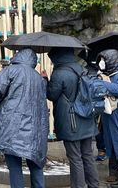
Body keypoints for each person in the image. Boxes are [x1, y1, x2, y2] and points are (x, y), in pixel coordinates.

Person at [0, 48, 48, 188]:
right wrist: (45, 79)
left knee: (15, 167)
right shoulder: (39, 77)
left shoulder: (11, 70)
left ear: (18, 55)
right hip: (35, 130)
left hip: (12, 127)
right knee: (36, 166)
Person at [46, 47, 99, 188]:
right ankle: (94, 184)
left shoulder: (59, 73)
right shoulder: (83, 68)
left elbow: (52, 95)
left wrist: (45, 80)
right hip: (87, 118)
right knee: (87, 155)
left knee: (75, 157)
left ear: (57, 57)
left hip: (71, 122)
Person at [97, 49, 118, 188]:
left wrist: (102, 83)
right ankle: (113, 173)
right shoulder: (107, 74)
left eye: (104, 60)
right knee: (111, 145)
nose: (102, 63)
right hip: (109, 116)